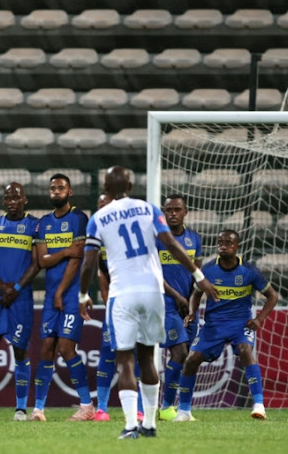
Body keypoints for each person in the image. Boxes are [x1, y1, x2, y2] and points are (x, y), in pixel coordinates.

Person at [80, 166, 218, 439]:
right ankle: (151, 425)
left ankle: (132, 425)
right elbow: (171, 243)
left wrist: (83, 295)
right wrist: (199, 275)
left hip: (123, 293)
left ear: (106, 188)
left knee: (125, 361)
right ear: (131, 187)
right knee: (148, 358)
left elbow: (89, 262)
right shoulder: (150, 209)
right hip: (153, 292)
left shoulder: (99, 217)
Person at [174, 229, 279, 422]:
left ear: (237, 246)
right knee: (191, 359)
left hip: (241, 323)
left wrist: (259, 319)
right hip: (214, 324)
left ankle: (259, 405)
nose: (223, 245)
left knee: (245, 350)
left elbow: (273, 296)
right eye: (220, 242)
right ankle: (184, 411)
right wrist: (192, 312)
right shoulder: (207, 270)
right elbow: (196, 294)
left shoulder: (249, 271)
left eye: (228, 242)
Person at [29, 173, 96, 422]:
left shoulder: (79, 219)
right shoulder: (43, 223)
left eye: (61, 188)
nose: (56, 192)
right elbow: (42, 260)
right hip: (51, 296)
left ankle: (87, 405)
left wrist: (60, 291)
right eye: (52, 188)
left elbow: (78, 259)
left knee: (67, 347)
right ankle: (38, 409)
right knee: (47, 347)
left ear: (70, 192)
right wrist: (66, 251)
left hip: (70, 295)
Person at [0, 182, 41, 421]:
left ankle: (21, 409)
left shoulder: (35, 225)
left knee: (20, 350)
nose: (12, 202)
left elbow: (37, 263)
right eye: (8, 198)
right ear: (4, 202)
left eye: (16, 198)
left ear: (25, 200)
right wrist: (3, 287)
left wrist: (18, 287)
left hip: (21, 298)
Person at [92, 193, 145, 423]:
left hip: (138, 301)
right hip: (115, 303)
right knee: (107, 353)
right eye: (99, 204)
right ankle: (101, 408)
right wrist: (109, 303)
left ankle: (140, 409)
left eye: (106, 204)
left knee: (138, 354)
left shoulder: (133, 233)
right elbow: (102, 275)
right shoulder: (97, 235)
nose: (102, 208)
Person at [156, 195, 204, 421]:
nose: (172, 213)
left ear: (186, 212)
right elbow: (154, 274)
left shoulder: (195, 239)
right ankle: (166, 406)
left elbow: (199, 276)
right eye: (168, 210)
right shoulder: (158, 239)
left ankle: (176, 407)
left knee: (185, 357)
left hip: (187, 306)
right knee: (180, 352)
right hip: (164, 304)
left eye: (177, 209)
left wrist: (192, 304)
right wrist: (177, 297)